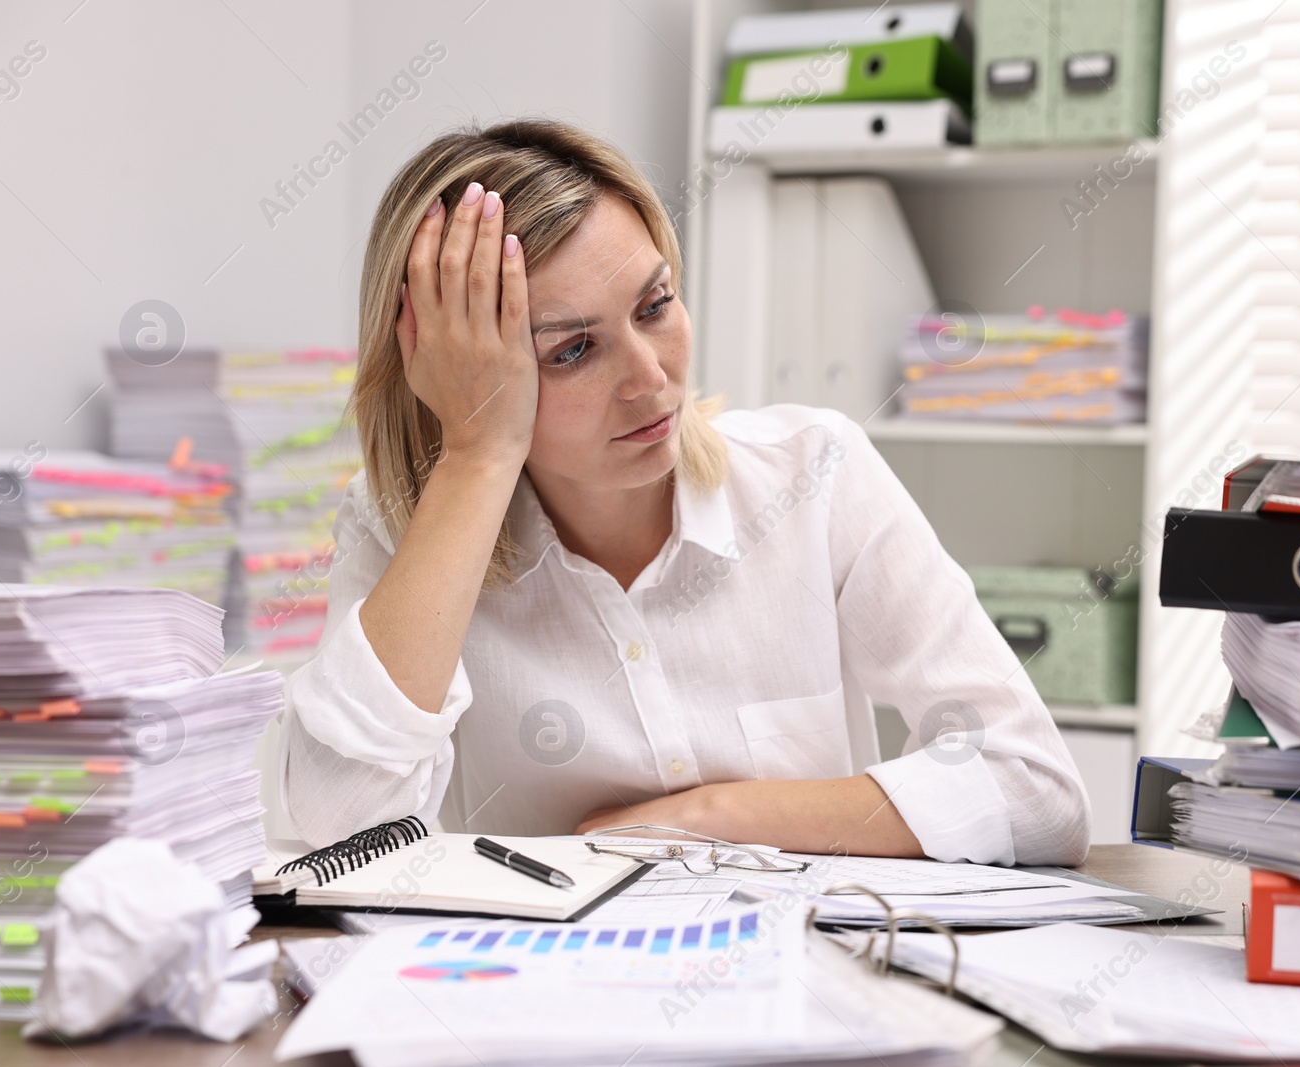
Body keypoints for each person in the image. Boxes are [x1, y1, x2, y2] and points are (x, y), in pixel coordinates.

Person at [279, 118, 1090, 865]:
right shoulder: (405, 532)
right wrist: (478, 454)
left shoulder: (816, 473)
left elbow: (1037, 794)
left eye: (655, 304)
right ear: (456, 372)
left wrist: (705, 816)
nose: (649, 376)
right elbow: (341, 836)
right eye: (571, 351)